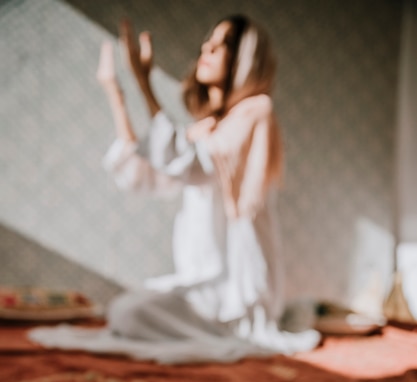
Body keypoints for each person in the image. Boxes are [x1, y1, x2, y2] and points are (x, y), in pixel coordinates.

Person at [29, 15, 320, 363]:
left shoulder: (255, 112)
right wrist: (115, 92)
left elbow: (192, 164)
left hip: (236, 289)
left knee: (129, 313)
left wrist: (145, 84)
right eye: (207, 41)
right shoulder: (207, 128)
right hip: (202, 281)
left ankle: (240, 325)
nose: (206, 49)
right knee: (124, 309)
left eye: (220, 44)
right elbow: (146, 175)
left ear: (243, 58)